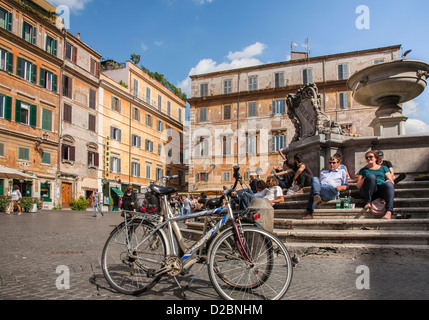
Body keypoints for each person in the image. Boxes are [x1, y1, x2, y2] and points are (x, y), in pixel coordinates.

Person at [356, 150, 395, 220]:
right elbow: (358, 186)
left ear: (376, 158)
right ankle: (368, 202)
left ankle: (389, 211)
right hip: (368, 190)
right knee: (371, 177)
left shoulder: (383, 168)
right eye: (367, 158)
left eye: (371, 157)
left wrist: (388, 181)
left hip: (380, 189)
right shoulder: (363, 170)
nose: (368, 159)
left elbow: (392, 181)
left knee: (389, 184)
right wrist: (365, 179)